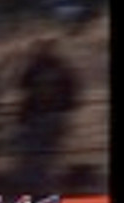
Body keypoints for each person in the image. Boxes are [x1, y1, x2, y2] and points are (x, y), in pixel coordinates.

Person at [14, 37, 80, 193]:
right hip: (37, 118)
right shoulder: (39, 67)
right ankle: (35, 187)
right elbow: (22, 85)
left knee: (44, 156)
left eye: (45, 48)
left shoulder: (58, 68)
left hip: (49, 118)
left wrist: (64, 113)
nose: (43, 52)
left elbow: (72, 93)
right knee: (36, 155)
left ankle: (41, 188)